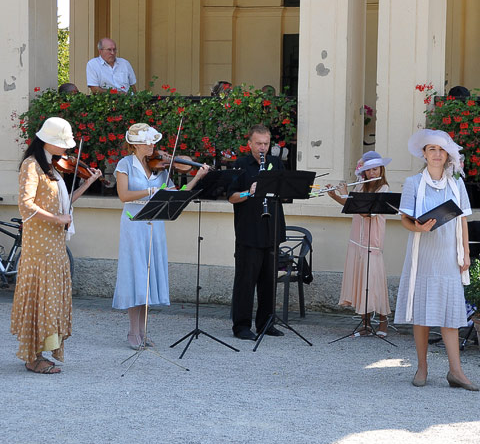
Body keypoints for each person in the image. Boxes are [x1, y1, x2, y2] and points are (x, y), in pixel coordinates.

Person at [11, 117, 102, 373]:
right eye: (62, 144)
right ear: (47, 141)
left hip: (55, 245)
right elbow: (26, 204)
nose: (67, 149)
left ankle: (40, 352)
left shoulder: (51, 167)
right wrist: (57, 219)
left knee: (50, 299)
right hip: (40, 247)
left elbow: (64, 205)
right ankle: (32, 356)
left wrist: (87, 183)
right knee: (39, 298)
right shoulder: (31, 166)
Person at [112, 123, 209, 349]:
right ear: (135, 144)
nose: (152, 145)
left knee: (148, 279)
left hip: (154, 226)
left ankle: (143, 332)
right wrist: (150, 191)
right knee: (135, 276)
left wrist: (197, 178)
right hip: (133, 225)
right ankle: (132, 332)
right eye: (148, 142)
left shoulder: (160, 168)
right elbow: (123, 195)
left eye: (153, 141)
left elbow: (174, 194)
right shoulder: (124, 164)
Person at [395, 129, 478, 391]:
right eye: (432, 149)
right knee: (422, 313)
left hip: (447, 254)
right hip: (423, 253)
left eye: (441, 150)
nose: (437, 154)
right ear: (424, 153)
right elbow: (405, 219)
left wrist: (465, 252)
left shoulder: (457, 183)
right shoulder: (412, 182)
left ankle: (456, 371)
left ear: (447, 155)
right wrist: (417, 228)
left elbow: (463, 219)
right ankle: (422, 367)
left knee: (450, 315)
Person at [227, 124, 287, 340]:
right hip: (249, 231)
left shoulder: (275, 163)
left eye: (266, 144)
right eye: (259, 143)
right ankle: (241, 326)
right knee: (245, 281)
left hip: (271, 230)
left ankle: (266, 323)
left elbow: (285, 192)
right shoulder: (241, 165)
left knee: (268, 282)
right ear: (250, 143)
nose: (263, 148)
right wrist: (249, 192)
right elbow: (231, 197)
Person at [327, 151, 392, 337]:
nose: (373, 173)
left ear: (381, 169)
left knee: (375, 282)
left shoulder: (383, 189)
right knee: (361, 281)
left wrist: (346, 194)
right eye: (369, 170)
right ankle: (365, 324)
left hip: (373, 242)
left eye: (376, 169)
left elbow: (367, 213)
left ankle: (383, 322)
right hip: (357, 240)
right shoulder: (361, 187)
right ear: (363, 172)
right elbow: (350, 206)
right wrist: (333, 196)